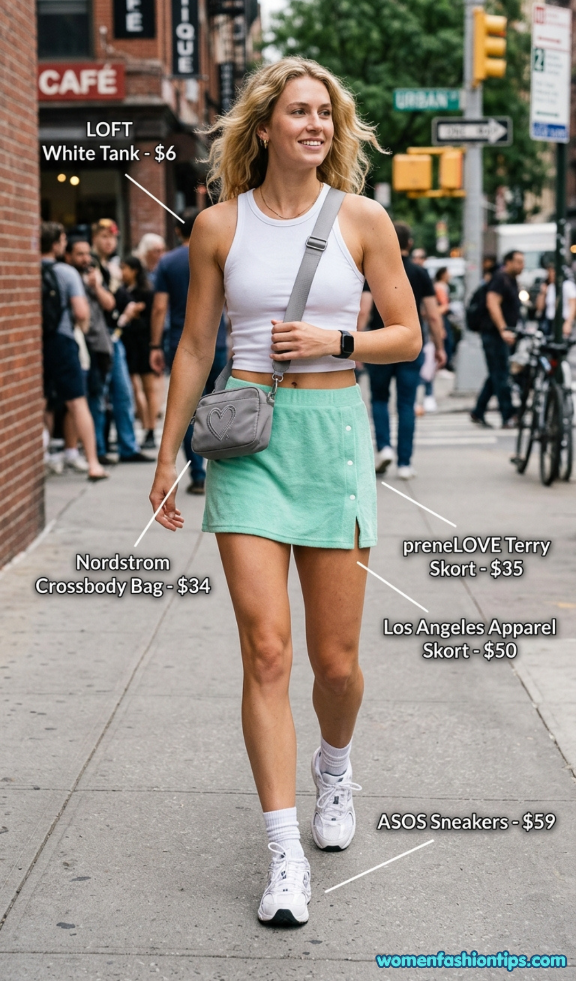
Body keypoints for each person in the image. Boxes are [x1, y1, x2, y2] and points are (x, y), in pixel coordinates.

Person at [149, 57, 421, 926]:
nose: (315, 125)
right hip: (250, 446)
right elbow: (195, 348)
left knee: (334, 664)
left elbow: (409, 335)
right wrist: (167, 458)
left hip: (333, 443)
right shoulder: (217, 226)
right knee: (266, 652)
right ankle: (282, 856)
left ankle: (335, 772)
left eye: (326, 115)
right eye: (299, 112)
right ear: (264, 126)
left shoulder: (365, 220)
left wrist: (340, 340)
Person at [149, 211, 228, 494]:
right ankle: (221, 469)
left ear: (175, 230)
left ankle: (197, 474)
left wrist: (155, 345)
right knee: (221, 407)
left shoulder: (168, 262)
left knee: (188, 409)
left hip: (181, 344)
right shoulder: (221, 248)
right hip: (217, 343)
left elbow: (159, 307)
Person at [365, 223, 446, 477]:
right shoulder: (420, 273)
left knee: (379, 399)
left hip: (378, 345)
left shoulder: (374, 269)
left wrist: (353, 347)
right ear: (409, 244)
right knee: (407, 403)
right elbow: (433, 315)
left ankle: (385, 448)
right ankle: (405, 463)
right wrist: (440, 347)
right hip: (409, 346)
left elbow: (363, 309)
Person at [41, 222, 108, 481]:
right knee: (77, 401)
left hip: (36, 343)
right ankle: (93, 463)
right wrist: (80, 326)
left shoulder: (26, 269)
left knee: (42, 401)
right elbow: (81, 312)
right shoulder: (66, 273)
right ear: (57, 243)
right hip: (62, 339)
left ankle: (43, 456)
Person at [91, 219, 151, 462]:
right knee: (100, 397)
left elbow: (119, 300)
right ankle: (99, 449)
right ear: (95, 238)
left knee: (123, 394)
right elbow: (110, 303)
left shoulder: (109, 268)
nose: (109, 241)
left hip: (113, 337)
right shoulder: (92, 266)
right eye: (104, 237)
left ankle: (128, 447)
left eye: (112, 238)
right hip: (98, 338)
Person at [65, 238, 115, 463]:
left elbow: (110, 304)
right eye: (79, 254)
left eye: (87, 254)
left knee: (96, 398)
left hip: (99, 346)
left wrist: (96, 286)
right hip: (81, 346)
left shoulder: (92, 279)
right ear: (68, 256)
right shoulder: (67, 278)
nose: (85, 259)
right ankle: (94, 450)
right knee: (85, 399)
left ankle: (96, 448)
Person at [471, 249, 524, 429]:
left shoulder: (511, 280)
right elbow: (491, 302)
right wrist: (503, 329)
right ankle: (507, 415)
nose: (521, 265)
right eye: (517, 261)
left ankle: (478, 411)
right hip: (494, 335)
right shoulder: (501, 279)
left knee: (496, 374)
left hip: (500, 334)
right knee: (501, 376)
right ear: (507, 262)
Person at [115, 255, 160, 450]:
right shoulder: (121, 291)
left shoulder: (146, 292)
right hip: (127, 343)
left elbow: (151, 319)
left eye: (124, 268)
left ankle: (150, 428)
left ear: (134, 270)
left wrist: (153, 345)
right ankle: (143, 426)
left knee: (148, 387)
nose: (121, 272)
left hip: (143, 343)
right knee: (133, 388)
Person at [536, 265, 576, 337]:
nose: (550, 275)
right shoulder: (550, 287)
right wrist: (542, 293)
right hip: (549, 322)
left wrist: (568, 323)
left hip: (562, 321)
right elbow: (540, 308)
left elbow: (573, 305)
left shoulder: (568, 285)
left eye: (552, 272)